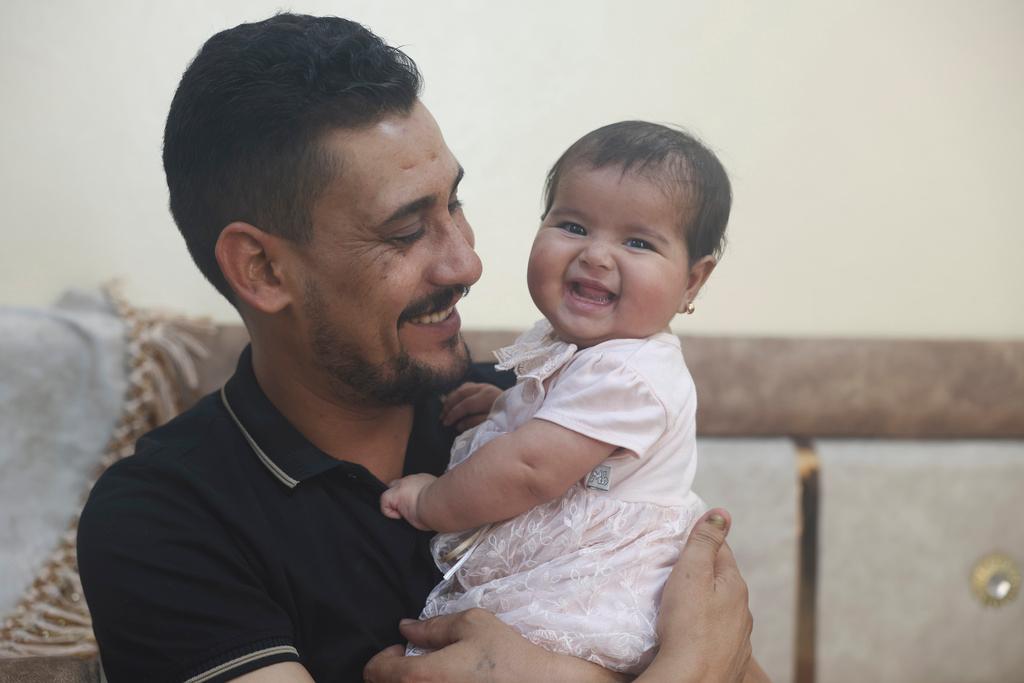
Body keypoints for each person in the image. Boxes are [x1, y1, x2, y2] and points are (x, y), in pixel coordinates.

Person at [76, 13, 760, 683]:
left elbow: (735, 656)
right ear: (262, 269)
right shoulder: (163, 522)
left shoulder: (525, 407)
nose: (466, 264)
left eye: (454, 204)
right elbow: (705, 654)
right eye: (406, 231)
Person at [381, 121, 726, 674]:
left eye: (638, 242)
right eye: (572, 225)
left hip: (586, 590)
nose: (597, 255)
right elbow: (548, 425)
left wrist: (431, 502)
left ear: (692, 282)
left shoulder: (629, 374)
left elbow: (529, 468)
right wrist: (502, 409)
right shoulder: (578, 351)